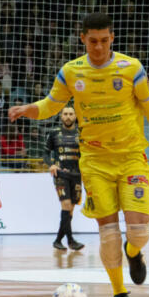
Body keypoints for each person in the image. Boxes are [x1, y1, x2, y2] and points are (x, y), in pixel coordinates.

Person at [8, 12, 149, 297]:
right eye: (93, 41)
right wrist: (28, 109)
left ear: (112, 38)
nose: (99, 47)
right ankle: (119, 293)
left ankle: (134, 252)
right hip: (95, 162)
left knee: (139, 231)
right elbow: (51, 104)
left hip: (131, 158)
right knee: (109, 233)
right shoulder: (71, 72)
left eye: (104, 41)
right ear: (83, 40)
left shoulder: (132, 69)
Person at [44, 106, 85, 251]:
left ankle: (58, 240)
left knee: (70, 211)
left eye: (71, 114)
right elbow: (46, 153)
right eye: (65, 114)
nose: (68, 116)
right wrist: (51, 165)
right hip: (61, 174)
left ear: (75, 116)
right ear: (61, 116)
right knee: (66, 206)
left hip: (77, 175)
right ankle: (71, 241)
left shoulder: (82, 133)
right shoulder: (54, 133)